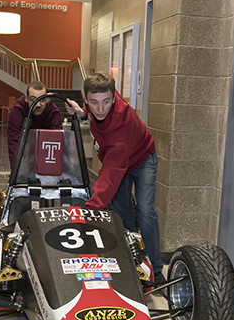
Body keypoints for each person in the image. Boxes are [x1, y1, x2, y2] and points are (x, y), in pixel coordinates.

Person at [68, 72, 164, 280]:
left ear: (114, 98)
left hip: (142, 159)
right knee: (122, 213)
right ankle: (132, 260)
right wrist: (83, 113)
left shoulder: (121, 128)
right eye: (94, 102)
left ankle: (155, 268)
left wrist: (90, 209)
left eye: (106, 102)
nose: (100, 109)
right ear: (85, 99)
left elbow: (111, 174)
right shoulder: (96, 104)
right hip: (119, 161)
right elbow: (95, 111)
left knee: (145, 212)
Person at [7, 81, 64, 166]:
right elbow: (14, 142)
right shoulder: (17, 111)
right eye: (33, 100)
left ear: (47, 99)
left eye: (42, 100)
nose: (38, 104)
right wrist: (17, 173)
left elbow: (57, 145)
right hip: (25, 142)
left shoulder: (53, 113)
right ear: (26, 98)